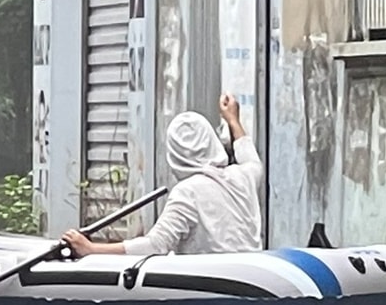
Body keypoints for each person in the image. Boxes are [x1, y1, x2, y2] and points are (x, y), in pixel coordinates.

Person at [64, 94, 262, 258]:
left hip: (211, 286)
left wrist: (91, 249)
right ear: (212, 141)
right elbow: (250, 158)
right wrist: (233, 120)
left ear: (175, 156)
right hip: (253, 279)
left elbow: (155, 245)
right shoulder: (243, 177)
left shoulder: (187, 193)